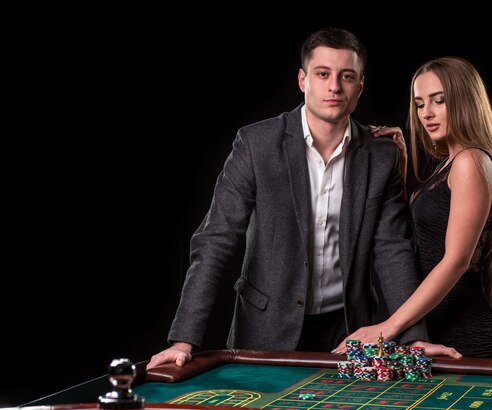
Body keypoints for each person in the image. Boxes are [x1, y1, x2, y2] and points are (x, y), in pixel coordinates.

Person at [147, 28, 460, 369]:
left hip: (346, 331)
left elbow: (392, 249)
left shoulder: (381, 156)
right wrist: (184, 340)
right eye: (323, 74)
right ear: (303, 79)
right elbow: (216, 239)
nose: (334, 87)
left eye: (347, 76)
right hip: (264, 331)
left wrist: (416, 338)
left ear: (360, 87)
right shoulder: (256, 144)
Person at [333, 57, 492, 358]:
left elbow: (456, 260)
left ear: (466, 102)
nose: (426, 114)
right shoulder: (450, 164)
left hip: (461, 333)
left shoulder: (471, 161)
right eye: (419, 104)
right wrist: (401, 166)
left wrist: (388, 327)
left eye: (438, 101)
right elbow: (420, 239)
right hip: (431, 328)